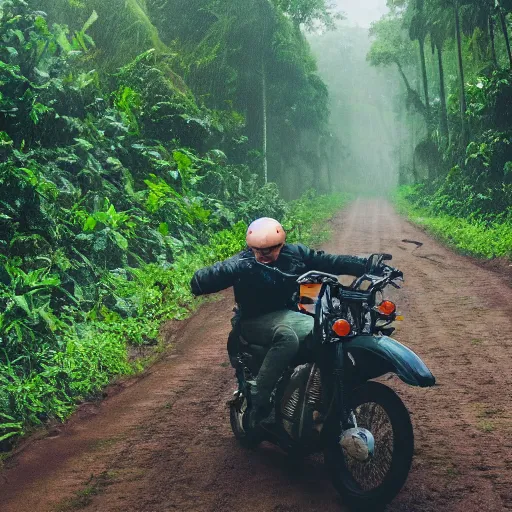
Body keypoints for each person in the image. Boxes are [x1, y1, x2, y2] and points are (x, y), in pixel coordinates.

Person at [190, 217, 369, 430]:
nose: (265, 255)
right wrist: (218, 275)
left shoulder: (295, 254)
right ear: (251, 247)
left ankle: (326, 396)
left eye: (271, 249)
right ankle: (259, 399)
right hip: (252, 320)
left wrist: (366, 265)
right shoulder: (243, 263)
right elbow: (202, 279)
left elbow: (330, 261)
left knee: (330, 330)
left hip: (290, 313)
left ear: (281, 244)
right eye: (259, 250)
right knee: (288, 337)